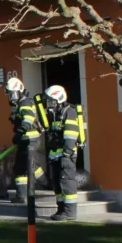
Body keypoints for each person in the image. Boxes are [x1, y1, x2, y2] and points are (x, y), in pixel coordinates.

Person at [4, 77, 45, 203]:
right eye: (10, 94)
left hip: (30, 140)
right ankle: (21, 196)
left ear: (20, 91)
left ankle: (46, 183)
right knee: (20, 167)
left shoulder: (25, 102)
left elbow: (28, 119)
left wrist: (19, 132)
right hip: (25, 139)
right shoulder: (19, 104)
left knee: (29, 165)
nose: (11, 97)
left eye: (13, 94)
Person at [43, 85, 80, 221]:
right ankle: (61, 210)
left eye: (51, 101)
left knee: (67, 182)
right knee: (57, 184)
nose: (49, 103)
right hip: (56, 156)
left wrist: (66, 154)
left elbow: (71, 135)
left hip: (66, 156)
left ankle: (70, 212)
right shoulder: (55, 114)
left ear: (59, 99)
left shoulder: (69, 112)